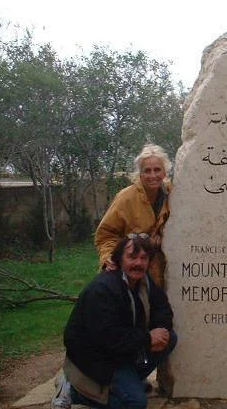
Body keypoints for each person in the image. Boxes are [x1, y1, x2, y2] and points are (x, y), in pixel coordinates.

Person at [61, 234, 177, 409]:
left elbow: (163, 309)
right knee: (136, 403)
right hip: (96, 360)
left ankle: (128, 381)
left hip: (123, 353)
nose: (138, 263)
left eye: (143, 258)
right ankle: (74, 391)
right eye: (132, 257)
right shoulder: (103, 289)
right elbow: (108, 339)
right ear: (119, 259)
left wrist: (160, 330)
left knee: (169, 338)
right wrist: (147, 339)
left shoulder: (143, 282)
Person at [95, 144, 172, 288]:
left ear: (164, 172)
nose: (153, 175)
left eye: (157, 170)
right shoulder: (126, 198)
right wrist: (108, 257)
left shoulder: (172, 195)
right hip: (131, 273)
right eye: (147, 171)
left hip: (164, 273)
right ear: (140, 174)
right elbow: (106, 235)